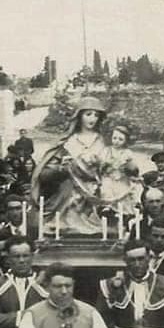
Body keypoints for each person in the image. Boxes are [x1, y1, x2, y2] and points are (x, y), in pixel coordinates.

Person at [32, 97, 141, 235]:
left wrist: (124, 166)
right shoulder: (69, 141)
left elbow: (121, 162)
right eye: (88, 114)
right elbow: (45, 172)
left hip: (100, 188)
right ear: (79, 116)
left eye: (96, 115)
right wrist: (62, 169)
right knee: (69, 194)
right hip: (72, 187)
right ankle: (67, 222)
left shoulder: (105, 140)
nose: (93, 118)